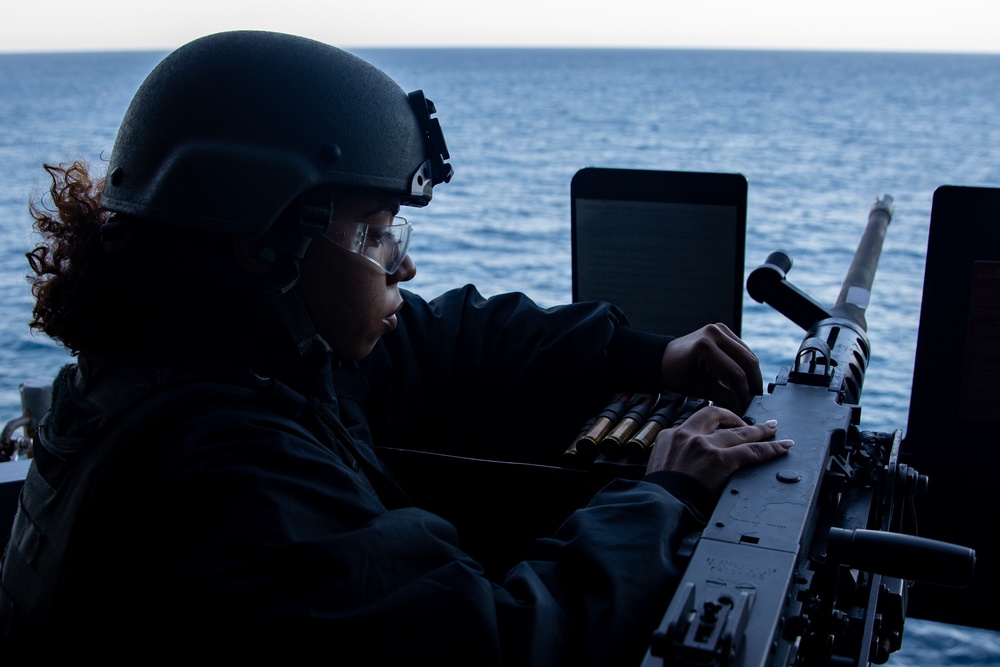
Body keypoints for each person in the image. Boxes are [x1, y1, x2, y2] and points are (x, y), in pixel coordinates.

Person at [0, 30, 792, 664]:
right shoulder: (231, 481)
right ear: (261, 243)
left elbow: (449, 342)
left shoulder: (204, 360)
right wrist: (664, 495)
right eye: (373, 232)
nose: (402, 261)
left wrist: (648, 354)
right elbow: (502, 642)